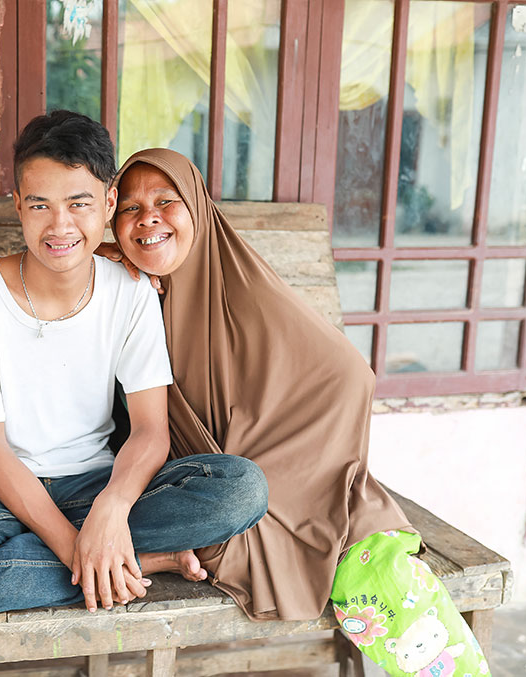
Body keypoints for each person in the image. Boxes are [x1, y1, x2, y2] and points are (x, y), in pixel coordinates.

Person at [106, 148, 490, 676]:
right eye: (128, 208)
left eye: (166, 201)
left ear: (196, 208)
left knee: (374, 570)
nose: (147, 216)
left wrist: (278, 466)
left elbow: (347, 376)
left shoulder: (239, 286)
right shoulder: (115, 287)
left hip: (268, 487)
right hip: (173, 490)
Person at [0, 112, 267, 620]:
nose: (60, 226)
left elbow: (150, 431)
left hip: (95, 481)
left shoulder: (131, 291)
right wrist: (82, 548)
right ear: (18, 207)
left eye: (79, 204)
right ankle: (132, 563)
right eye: (40, 206)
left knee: (241, 489)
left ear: (108, 203)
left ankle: (101, 553)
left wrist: (112, 509)